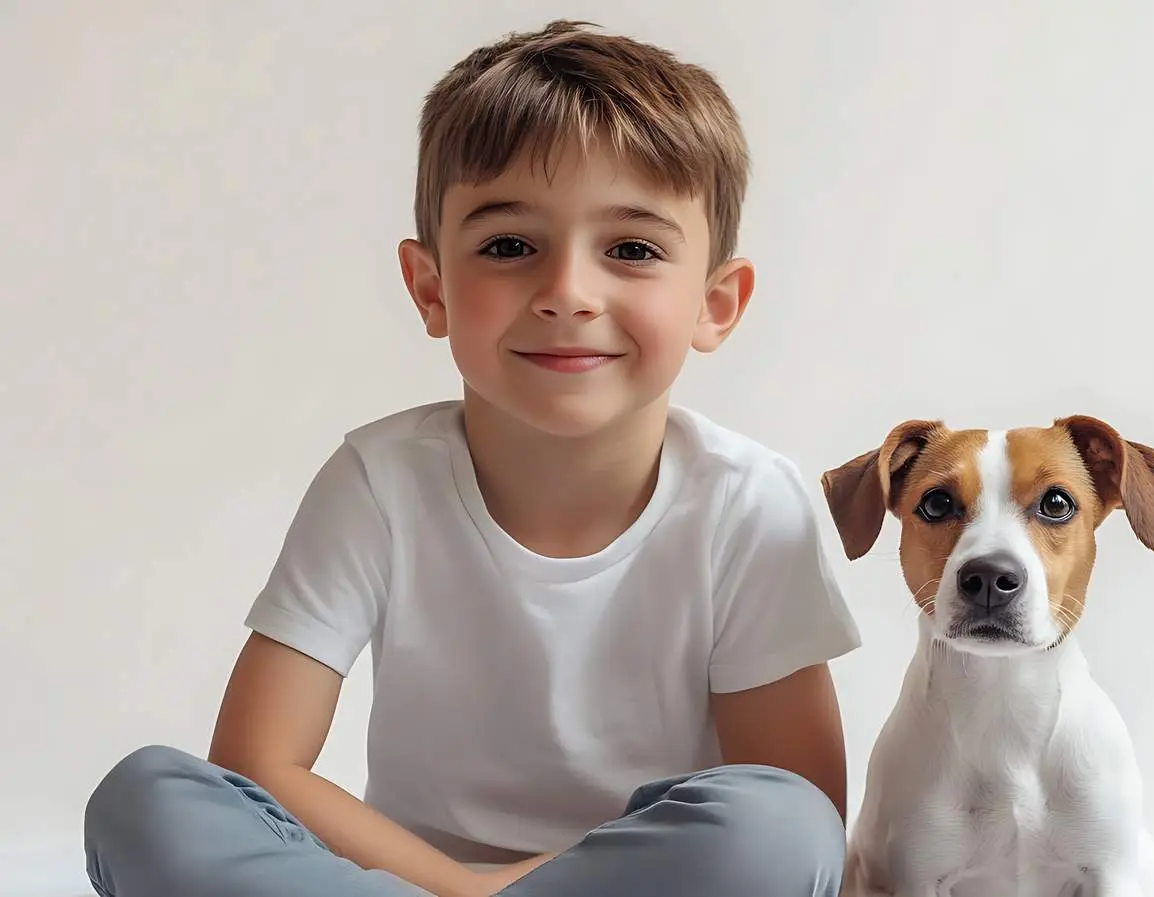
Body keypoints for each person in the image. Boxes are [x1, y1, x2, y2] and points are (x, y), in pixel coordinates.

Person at [81, 20, 861, 897]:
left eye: (632, 249)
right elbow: (261, 762)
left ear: (716, 303)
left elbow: (798, 809)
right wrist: (466, 889)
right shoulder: (380, 480)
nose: (567, 292)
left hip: (643, 879)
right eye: (509, 246)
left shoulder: (750, 501)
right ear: (431, 287)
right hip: (397, 878)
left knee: (777, 825)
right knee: (144, 797)